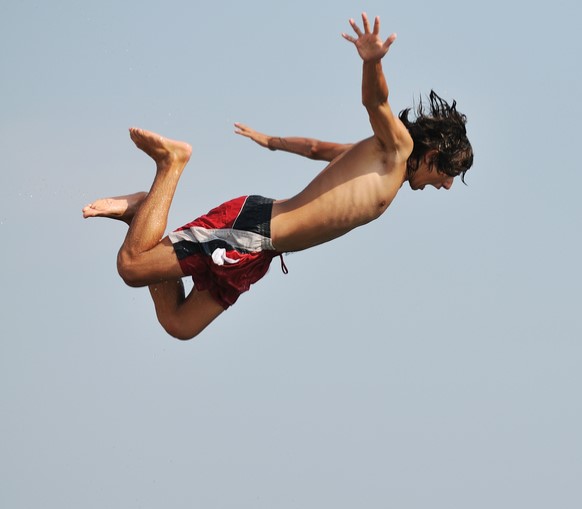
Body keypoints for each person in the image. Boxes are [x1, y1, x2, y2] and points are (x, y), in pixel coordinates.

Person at [83, 12, 472, 340]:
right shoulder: (397, 147)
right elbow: (376, 101)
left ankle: (141, 214)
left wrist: (272, 142)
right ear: (435, 154)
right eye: (448, 173)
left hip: (262, 251)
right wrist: (372, 62)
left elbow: (319, 150)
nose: (447, 184)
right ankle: (171, 164)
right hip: (252, 231)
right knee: (132, 267)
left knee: (179, 324)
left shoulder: (380, 162)